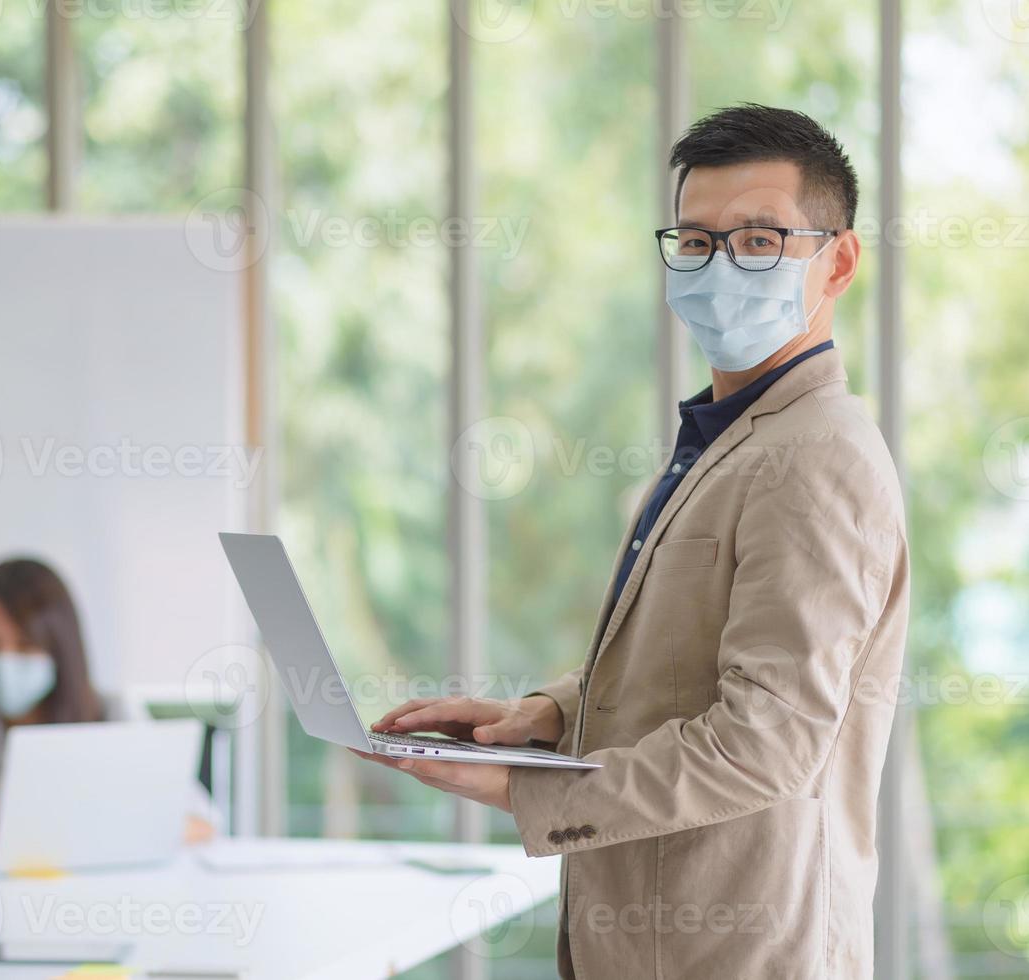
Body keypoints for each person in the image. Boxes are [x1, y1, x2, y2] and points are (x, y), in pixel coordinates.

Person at [355, 104, 908, 979]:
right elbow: (688, 668)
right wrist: (542, 718)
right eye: (695, 241)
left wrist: (521, 788)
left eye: (760, 240)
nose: (720, 265)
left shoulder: (815, 458)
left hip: (742, 949)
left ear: (837, 261)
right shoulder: (730, 438)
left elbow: (767, 739)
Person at [0, 557, 214, 848]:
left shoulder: (112, 713)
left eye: (24, 646)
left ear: (59, 650)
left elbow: (202, 821)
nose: (4, 662)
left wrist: (93, 829)